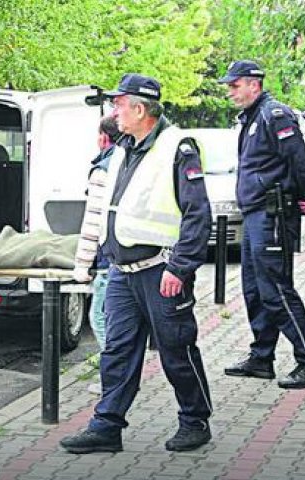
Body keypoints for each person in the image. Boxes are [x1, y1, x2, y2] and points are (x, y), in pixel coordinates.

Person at [60, 73, 213, 454]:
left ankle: (195, 421)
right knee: (117, 352)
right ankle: (106, 426)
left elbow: (198, 215)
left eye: (119, 104)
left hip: (161, 271)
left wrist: (180, 268)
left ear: (140, 109)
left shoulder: (178, 147)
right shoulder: (123, 148)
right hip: (122, 273)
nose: (114, 111)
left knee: (176, 350)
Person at [218, 60, 305, 389]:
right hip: (255, 214)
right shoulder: (252, 117)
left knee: (276, 290)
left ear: (254, 84)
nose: (230, 92)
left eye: (235, 85)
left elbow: (300, 159)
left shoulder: (274, 114)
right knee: (254, 290)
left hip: (272, 214)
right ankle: (261, 357)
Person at [73, 115, 120, 395]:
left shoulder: (103, 171)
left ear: (103, 138)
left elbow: (93, 223)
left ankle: (112, 381)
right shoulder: (125, 161)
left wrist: (81, 266)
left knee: (100, 319)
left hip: (106, 260)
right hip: (121, 256)